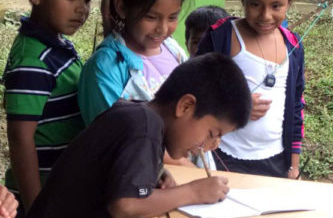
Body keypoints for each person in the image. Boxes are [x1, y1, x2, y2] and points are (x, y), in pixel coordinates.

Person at [27, 53, 252, 218]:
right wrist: (193, 192)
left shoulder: (140, 116)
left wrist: (157, 171)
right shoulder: (145, 126)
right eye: (212, 133)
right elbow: (126, 206)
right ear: (185, 106)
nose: (212, 145)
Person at [2, 0, 102, 214]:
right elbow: (20, 139)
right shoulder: (33, 61)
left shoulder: (57, 45)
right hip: (42, 197)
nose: (82, 9)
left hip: (63, 190)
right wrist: (38, 207)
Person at [78, 0, 195, 167]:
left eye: (172, 17)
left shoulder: (173, 51)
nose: (162, 29)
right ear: (122, 8)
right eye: (151, 17)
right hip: (135, 176)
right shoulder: (106, 68)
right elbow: (118, 137)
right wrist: (185, 168)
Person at [197, 0, 305, 179]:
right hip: (223, 155)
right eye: (255, 4)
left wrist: (293, 165)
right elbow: (193, 90)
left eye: (276, 6)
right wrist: (237, 105)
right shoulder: (222, 37)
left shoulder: (293, 45)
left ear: (290, 0)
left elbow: (296, 106)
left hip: (276, 159)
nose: (265, 15)